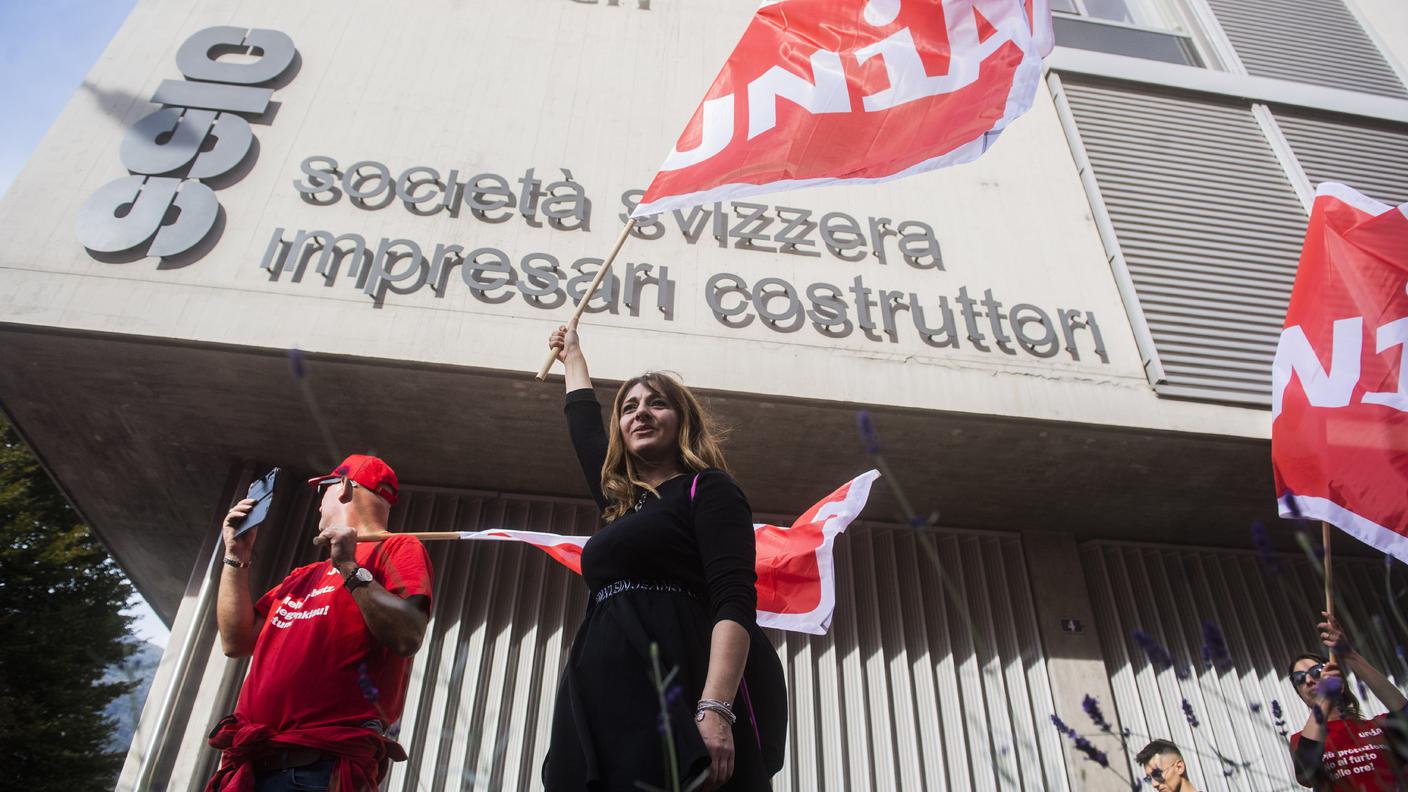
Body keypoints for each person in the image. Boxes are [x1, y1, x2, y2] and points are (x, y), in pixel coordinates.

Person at [542, 323, 787, 791]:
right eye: (629, 407)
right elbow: (584, 430)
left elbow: (733, 599)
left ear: (682, 420)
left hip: (676, 680)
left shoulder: (708, 489)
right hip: (601, 691)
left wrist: (716, 708)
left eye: (657, 403)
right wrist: (573, 357)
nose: (641, 414)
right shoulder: (620, 505)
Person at [205, 454, 433, 792]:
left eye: (320, 492)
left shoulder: (398, 548)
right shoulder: (302, 576)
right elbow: (235, 642)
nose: (317, 506)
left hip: (317, 768)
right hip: (253, 767)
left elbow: (407, 636)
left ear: (341, 487)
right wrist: (236, 556)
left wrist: (349, 568)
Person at [1288, 610, 1408, 791]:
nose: (1308, 680)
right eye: (1299, 678)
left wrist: (1349, 654)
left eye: (1316, 671)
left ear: (1341, 684)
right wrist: (1324, 699)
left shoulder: (1378, 727)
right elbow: (1306, 771)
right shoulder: (1301, 740)